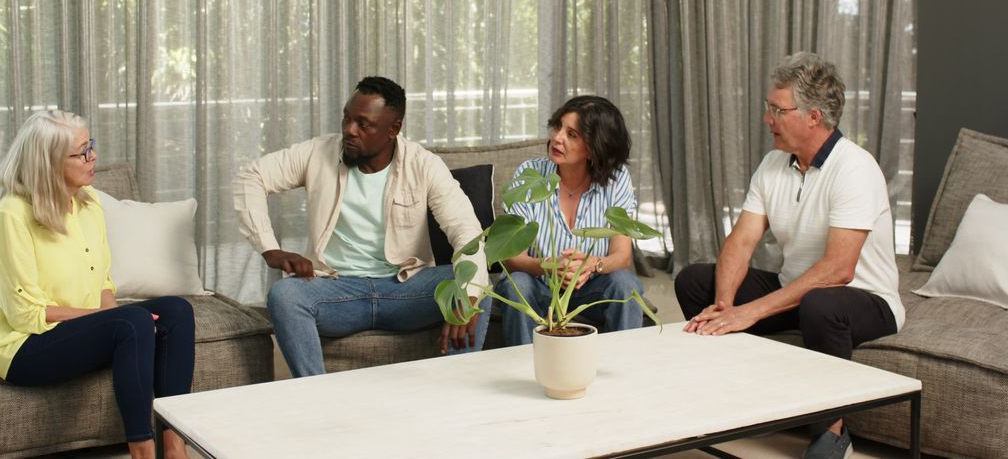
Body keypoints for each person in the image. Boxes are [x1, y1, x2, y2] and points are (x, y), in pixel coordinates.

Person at [674, 52, 904, 459]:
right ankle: (738, 397)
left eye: (777, 110)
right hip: (798, 292)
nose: (768, 119)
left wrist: (750, 312)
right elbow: (741, 242)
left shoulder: (855, 168)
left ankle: (832, 433)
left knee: (820, 303)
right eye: (769, 108)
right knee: (694, 280)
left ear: (814, 117)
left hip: (865, 300)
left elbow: (838, 270)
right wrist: (725, 306)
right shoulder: (773, 164)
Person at [0, 110, 195, 459]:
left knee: (176, 311)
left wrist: (118, 324)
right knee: (131, 321)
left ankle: (175, 448)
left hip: (76, 327)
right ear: (49, 163)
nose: (94, 157)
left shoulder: (89, 202)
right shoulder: (12, 214)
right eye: (82, 152)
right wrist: (116, 323)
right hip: (20, 345)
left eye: (92, 146)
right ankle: (143, 452)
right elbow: (24, 315)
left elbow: (102, 282)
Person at [233, 76, 492, 377]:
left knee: (476, 285)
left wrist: (468, 295)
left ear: (393, 129)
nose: (349, 130)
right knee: (285, 295)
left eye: (363, 124)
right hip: (337, 291)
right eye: (347, 118)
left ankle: (456, 391)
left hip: (406, 289)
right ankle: (314, 392)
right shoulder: (318, 153)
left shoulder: (424, 165)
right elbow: (251, 177)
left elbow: (465, 230)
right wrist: (270, 249)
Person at [495, 95, 644, 346]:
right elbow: (511, 258)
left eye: (572, 134)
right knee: (517, 284)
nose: (557, 138)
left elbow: (622, 257)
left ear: (595, 148)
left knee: (625, 283)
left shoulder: (617, 180)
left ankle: (623, 363)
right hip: (539, 287)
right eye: (558, 127)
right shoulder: (530, 174)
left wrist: (591, 264)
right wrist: (549, 265)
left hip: (591, 289)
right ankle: (524, 364)